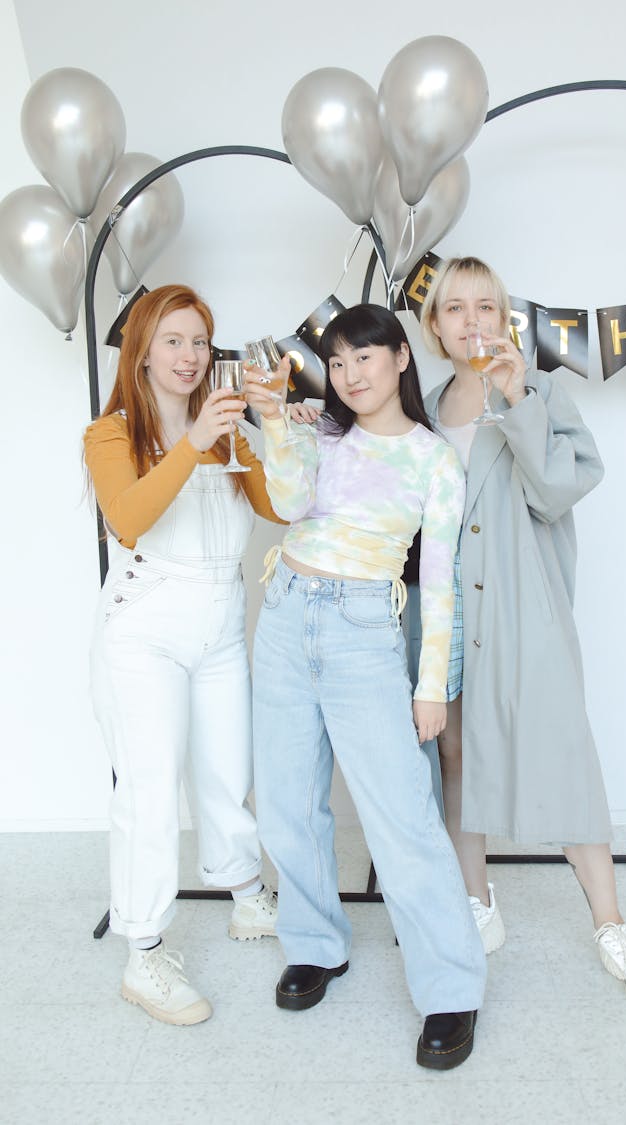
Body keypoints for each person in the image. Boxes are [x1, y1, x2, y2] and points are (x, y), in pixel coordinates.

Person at [415, 256, 626, 1009]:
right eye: (455, 308)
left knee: (562, 747)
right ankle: (477, 901)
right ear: (434, 325)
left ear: (506, 320)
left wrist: (517, 397)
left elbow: (563, 487)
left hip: (524, 602)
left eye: (486, 307)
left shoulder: (539, 391)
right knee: (455, 751)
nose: (472, 321)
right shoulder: (425, 408)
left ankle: (611, 924)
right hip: (444, 610)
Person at [244, 303, 486, 1070]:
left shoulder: (433, 459)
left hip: (362, 631)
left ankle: (451, 987)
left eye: (364, 359)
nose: (350, 376)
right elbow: (287, 506)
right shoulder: (322, 432)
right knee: (285, 799)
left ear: (400, 361)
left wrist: (430, 685)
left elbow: (442, 584)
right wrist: (274, 422)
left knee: (403, 819)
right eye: (339, 362)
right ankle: (317, 944)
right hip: (285, 613)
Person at [84, 285, 283, 1026]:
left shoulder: (227, 430)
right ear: (141, 347)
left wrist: (276, 432)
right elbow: (129, 520)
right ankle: (144, 950)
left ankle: (244, 896)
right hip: (145, 625)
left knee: (229, 771)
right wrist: (197, 438)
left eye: (200, 341)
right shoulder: (111, 434)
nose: (191, 355)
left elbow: (280, 508)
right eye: (173, 340)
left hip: (222, 618)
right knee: (148, 787)